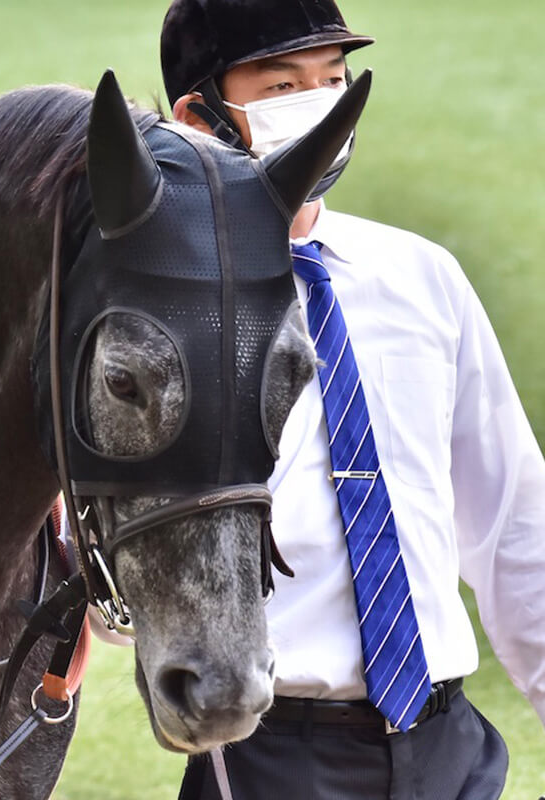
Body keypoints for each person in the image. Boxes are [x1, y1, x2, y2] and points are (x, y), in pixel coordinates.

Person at [157, 1, 545, 797]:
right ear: (198, 116)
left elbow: (512, 523)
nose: (322, 102)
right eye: (282, 84)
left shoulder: (423, 276)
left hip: (450, 744)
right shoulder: (159, 313)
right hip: (272, 755)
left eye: (333, 79)